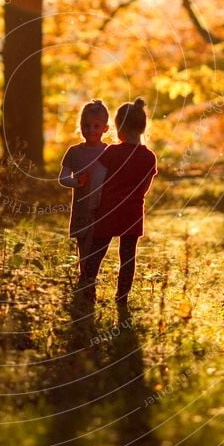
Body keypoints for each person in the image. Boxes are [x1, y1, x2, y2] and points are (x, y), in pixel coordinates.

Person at [80, 97, 157, 306]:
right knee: (128, 257)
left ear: (118, 128)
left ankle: (85, 288)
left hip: (107, 211)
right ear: (142, 128)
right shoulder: (149, 157)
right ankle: (122, 297)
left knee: (97, 250)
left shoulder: (111, 153)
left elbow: (97, 180)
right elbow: (145, 187)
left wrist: (93, 205)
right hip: (132, 212)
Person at [58, 99, 110, 280]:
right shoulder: (74, 152)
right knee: (84, 243)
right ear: (80, 126)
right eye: (86, 126)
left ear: (105, 128)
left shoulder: (109, 152)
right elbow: (62, 177)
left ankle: (90, 276)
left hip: (102, 207)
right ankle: (85, 277)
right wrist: (76, 182)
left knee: (99, 243)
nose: (90, 130)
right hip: (81, 207)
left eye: (96, 126)